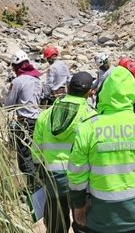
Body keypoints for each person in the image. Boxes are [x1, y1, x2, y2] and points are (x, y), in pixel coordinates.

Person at [68, 66, 135, 233]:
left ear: (103, 94)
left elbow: (76, 174)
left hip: (102, 219)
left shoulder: (87, 128)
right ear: (133, 93)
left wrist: (78, 205)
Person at [32, 72, 96, 233]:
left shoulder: (46, 114)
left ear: (68, 88)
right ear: (89, 92)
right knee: (83, 224)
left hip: (53, 178)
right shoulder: (91, 116)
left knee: (56, 226)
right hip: (81, 180)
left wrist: (40, 174)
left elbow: (36, 150)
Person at [2, 50, 42, 191]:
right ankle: (36, 185)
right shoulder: (37, 79)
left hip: (24, 122)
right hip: (38, 120)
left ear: (16, 66)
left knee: (25, 158)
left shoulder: (18, 81)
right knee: (35, 154)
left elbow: (9, 105)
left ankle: (34, 188)